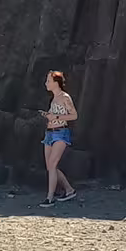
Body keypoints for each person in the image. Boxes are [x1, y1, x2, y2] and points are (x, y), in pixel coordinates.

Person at [41, 69, 78, 206]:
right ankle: (69, 190)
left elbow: (74, 116)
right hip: (49, 133)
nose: (46, 83)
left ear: (56, 83)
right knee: (50, 166)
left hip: (61, 133)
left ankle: (49, 198)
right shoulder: (53, 99)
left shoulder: (65, 97)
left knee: (52, 164)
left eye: (49, 81)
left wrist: (56, 117)